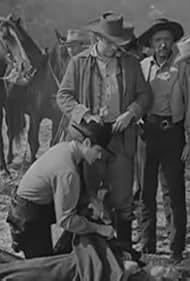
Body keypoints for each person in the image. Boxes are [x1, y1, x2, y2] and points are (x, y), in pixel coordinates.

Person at [56, 11, 152, 250]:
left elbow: (145, 94)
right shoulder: (79, 62)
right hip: (90, 137)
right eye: (110, 42)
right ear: (98, 38)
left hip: (121, 136)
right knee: (88, 194)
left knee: (122, 197)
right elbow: (63, 96)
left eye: (118, 43)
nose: (114, 47)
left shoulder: (130, 63)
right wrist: (85, 114)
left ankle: (124, 250)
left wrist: (131, 112)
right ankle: (88, 251)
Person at [6, 120, 116, 258]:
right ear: (87, 143)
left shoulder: (66, 147)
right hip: (28, 217)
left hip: (32, 207)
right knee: (44, 270)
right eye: (98, 151)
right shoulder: (68, 172)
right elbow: (65, 220)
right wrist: (99, 229)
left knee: (83, 213)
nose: (99, 156)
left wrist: (92, 203)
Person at [139, 18, 190, 263]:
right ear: (150, 43)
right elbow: (135, 99)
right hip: (147, 133)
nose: (162, 45)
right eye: (158, 40)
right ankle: (147, 247)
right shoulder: (142, 67)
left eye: (167, 40)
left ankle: (176, 248)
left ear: (173, 43)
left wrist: (189, 141)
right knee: (145, 191)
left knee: (174, 191)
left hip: (173, 133)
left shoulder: (182, 68)